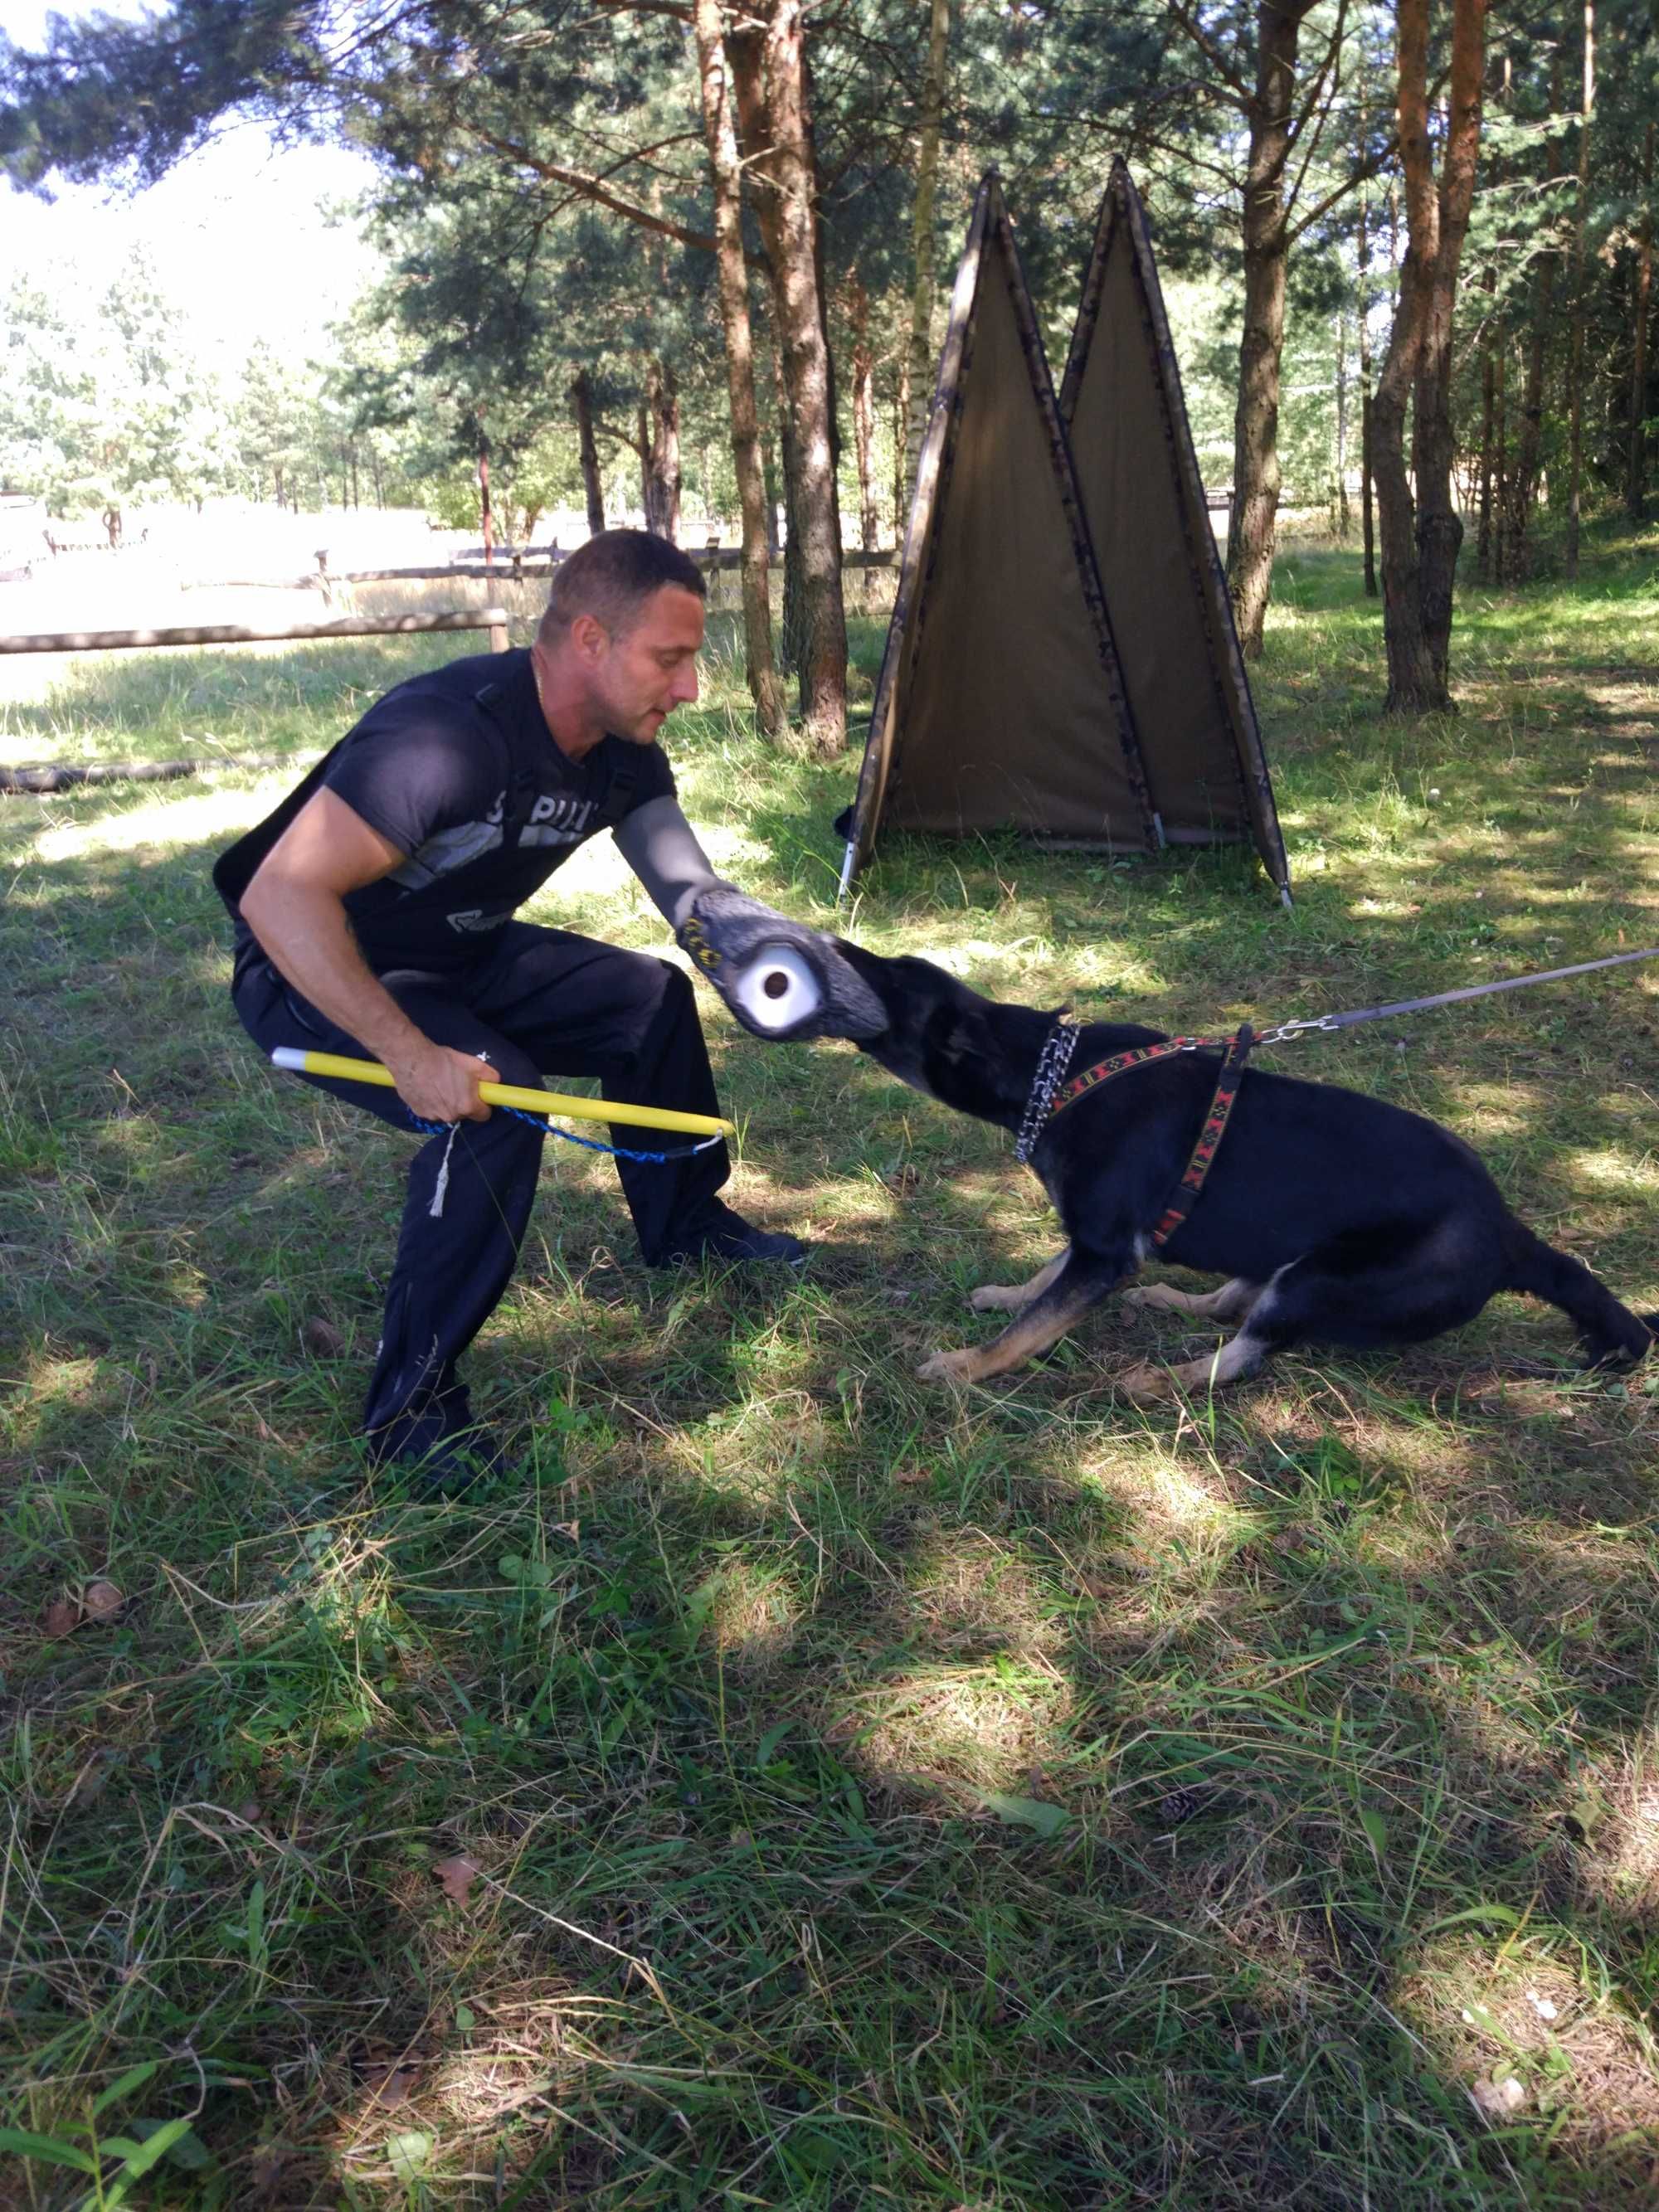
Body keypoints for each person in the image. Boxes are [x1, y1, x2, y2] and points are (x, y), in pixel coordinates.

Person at [215, 530, 806, 1487]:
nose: (690, 688)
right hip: (312, 967)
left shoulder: (621, 749)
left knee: (650, 1000)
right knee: (498, 1102)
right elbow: (280, 898)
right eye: (671, 658)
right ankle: (409, 1413)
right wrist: (411, 1055)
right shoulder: (446, 734)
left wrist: (765, 960)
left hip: (457, 949)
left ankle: (687, 1226)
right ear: (587, 639)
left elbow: (687, 889)